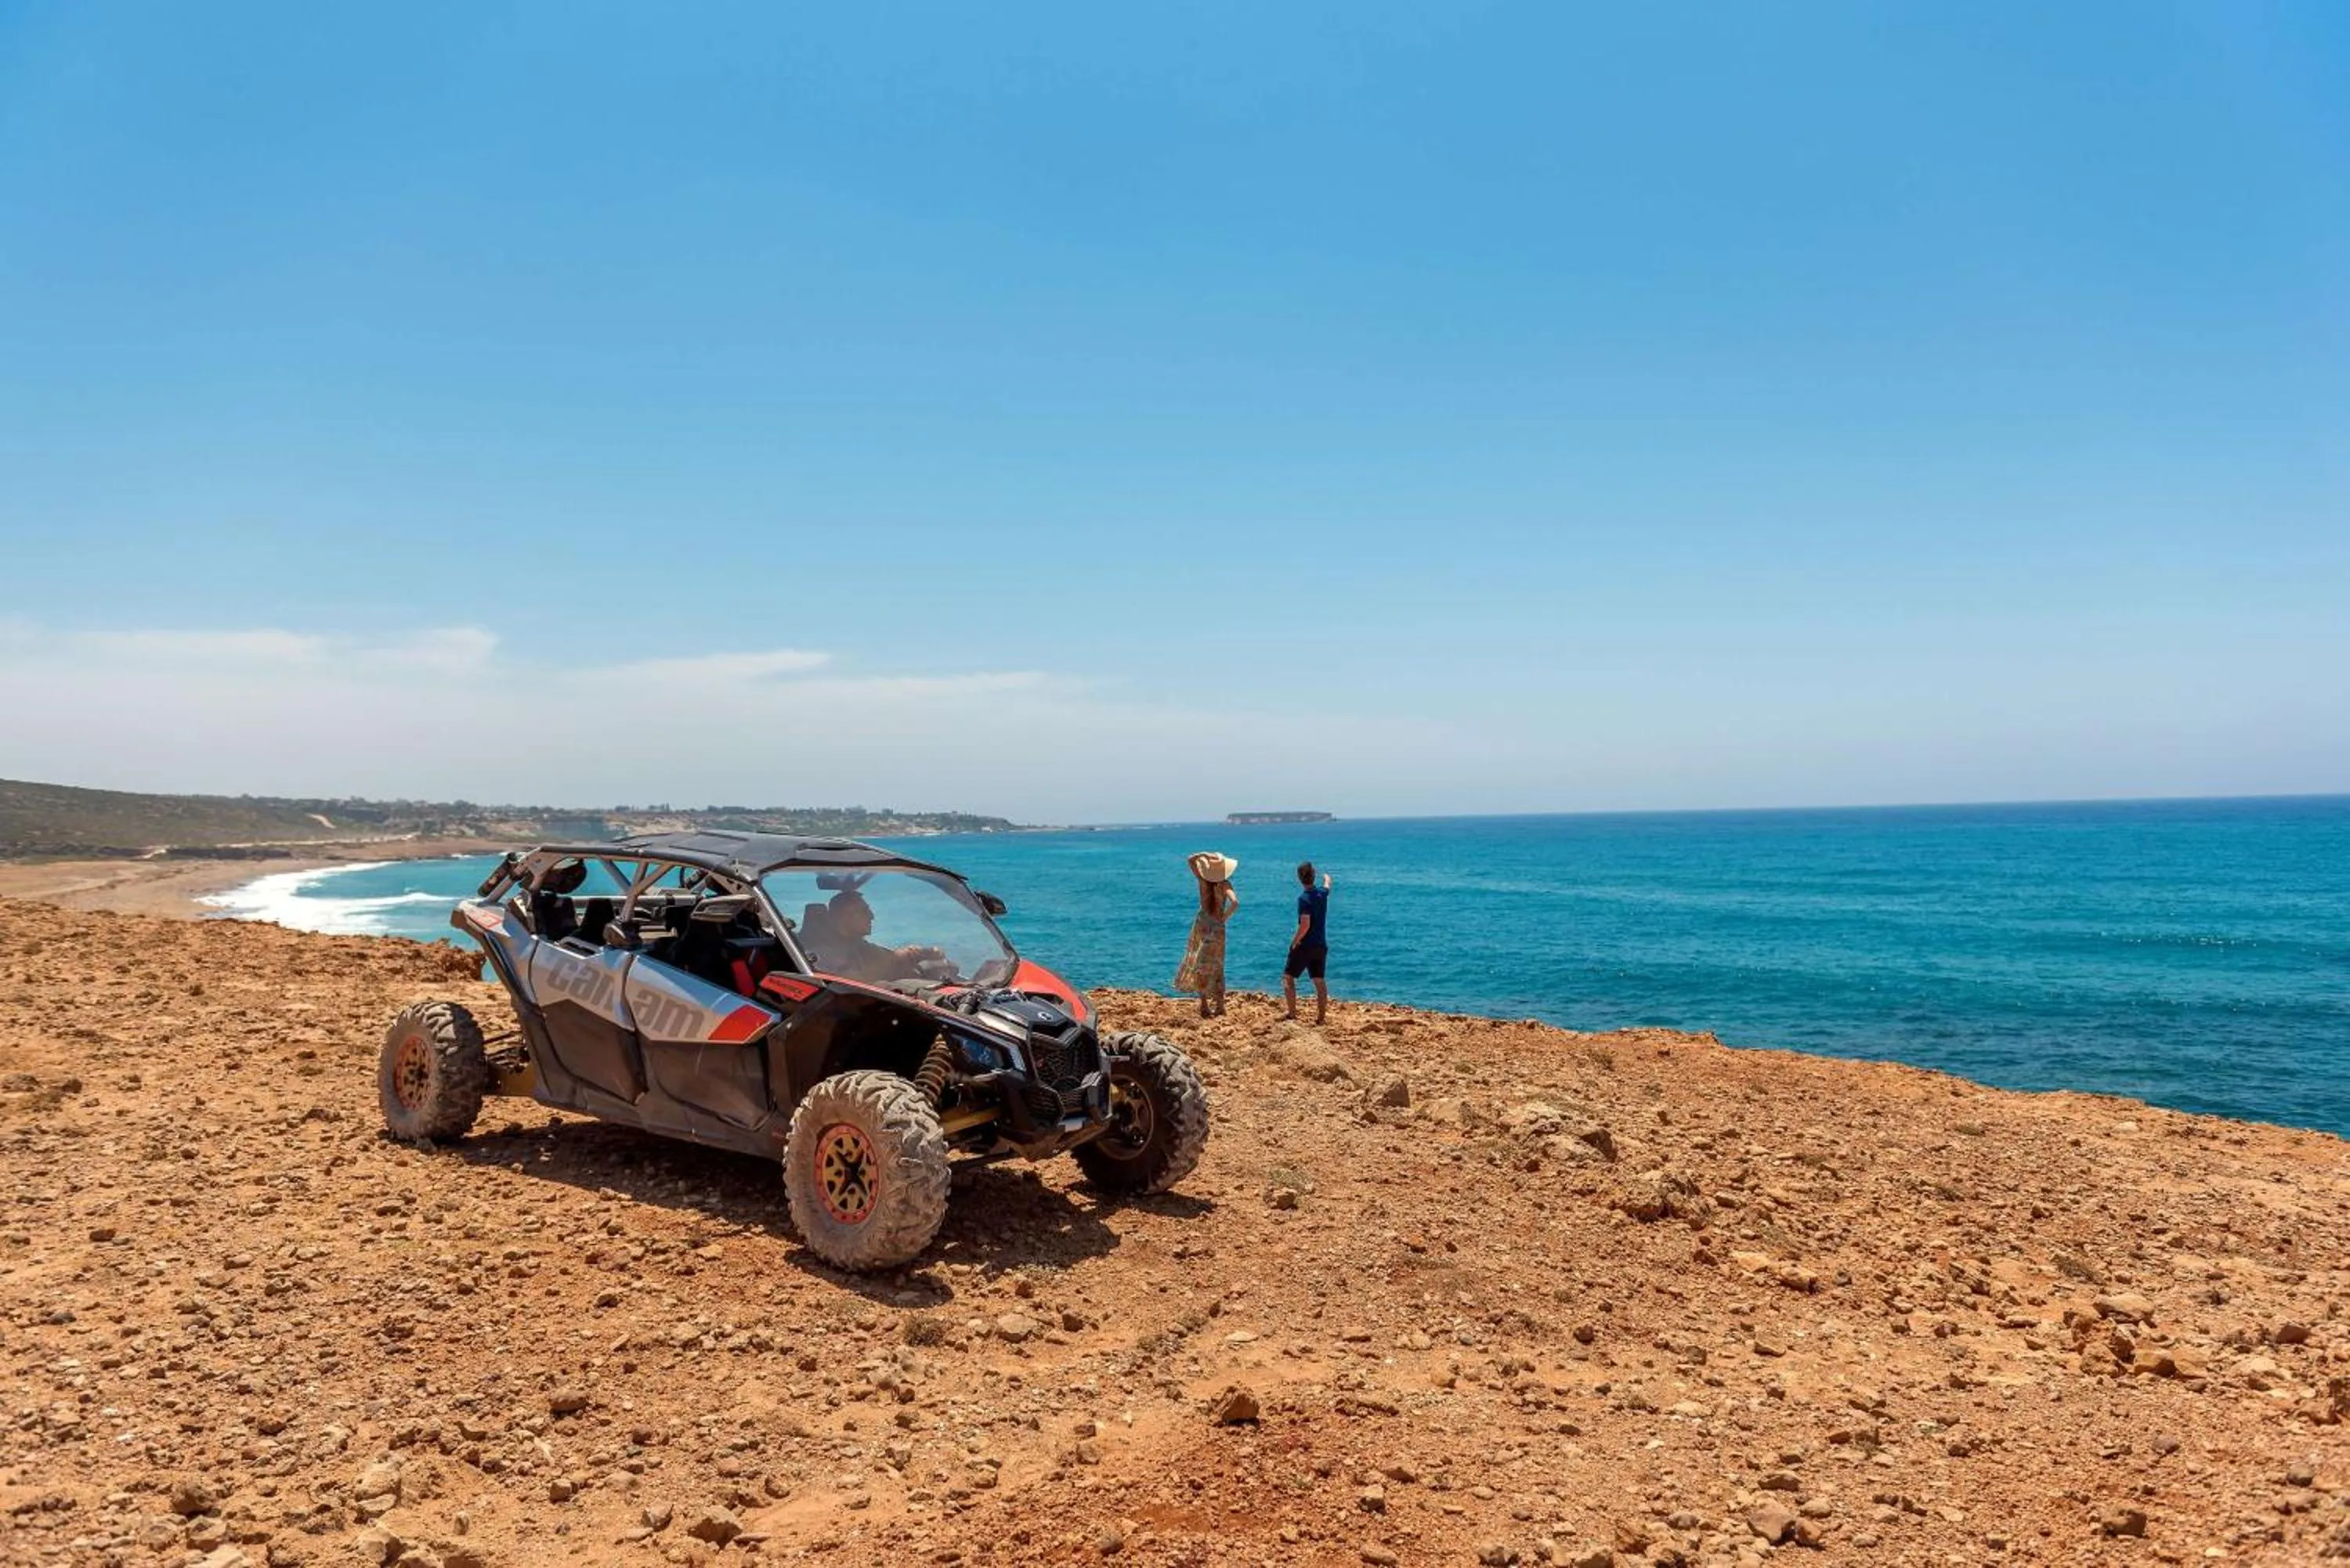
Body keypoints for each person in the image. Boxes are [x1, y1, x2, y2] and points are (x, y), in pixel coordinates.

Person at [815, 890, 938, 985]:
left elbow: (889, 958)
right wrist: (896, 959)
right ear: (845, 916)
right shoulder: (823, 952)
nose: (872, 916)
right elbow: (848, 983)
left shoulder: (858, 945)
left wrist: (913, 955)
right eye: (864, 911)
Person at [1173, 852, 1239, 1018]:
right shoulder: (1225, 884)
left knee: (1201, 963)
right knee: (1218, 964)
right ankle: (1220, 1006)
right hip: (1217, 926)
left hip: (1203, 923)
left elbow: (1190, 859)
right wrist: (1224, 918)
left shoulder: (1203, 881)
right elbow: (1235, 903)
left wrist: (1205, 855)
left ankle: (1204, 1005)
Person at [1283, 860, 1332, 1024]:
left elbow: (1305, 924)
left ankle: (1292, 1014)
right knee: (1319, 981)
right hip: (1320, 945)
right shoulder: (1322, 894)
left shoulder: (1304, 899)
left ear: (1299, 879)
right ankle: (1321, 1018)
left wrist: (1294, 941)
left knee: (1288, 977)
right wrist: (1326, 878)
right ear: (1313, 876)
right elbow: (1327, 885)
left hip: (1305, 946)